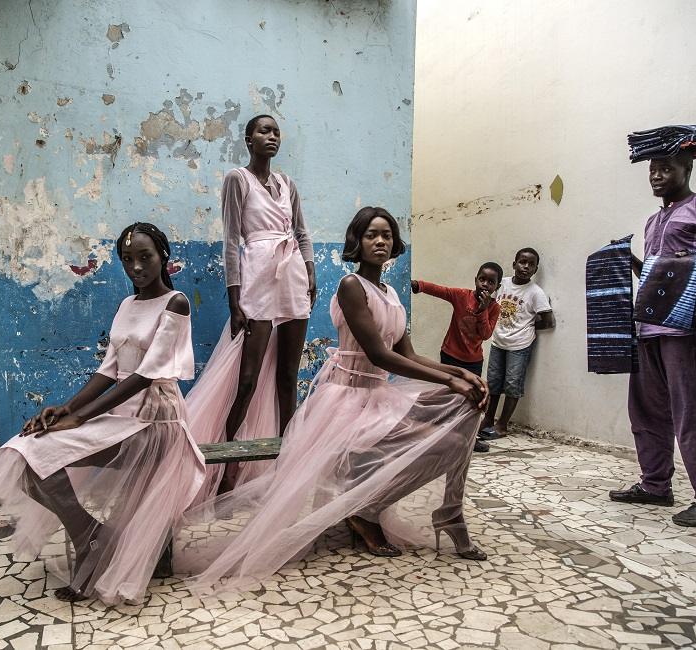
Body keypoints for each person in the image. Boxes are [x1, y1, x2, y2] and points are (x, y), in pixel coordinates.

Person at [176, 207, 488, 597]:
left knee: (465, 417)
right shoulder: (351, 286)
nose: (381, 242)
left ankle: (448, 510)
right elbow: (379, 355)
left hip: (378, 396)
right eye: (372, 235)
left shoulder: (391, 294)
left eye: (387, 236)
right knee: (444, 423)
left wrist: (462, 376)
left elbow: (407, 353)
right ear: (357, 242)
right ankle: (366, 509)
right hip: (347, 399)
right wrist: (449, 379)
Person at [0, 222, 205, 604]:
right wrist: (67, 407)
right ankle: (93, 537)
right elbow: (109, 370)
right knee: (26, 452)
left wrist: (82, 418)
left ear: (164, 256)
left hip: (156, 421)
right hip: (119, 417)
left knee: (41, 458)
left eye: (145, 257)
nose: (136, 267)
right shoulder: (126, 305)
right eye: (127, 259)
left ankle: (91, 546)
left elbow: (146, 375)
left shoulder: (175, 303)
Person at [610, 126, 696, 527]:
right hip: (649, 326)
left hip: (688, 329)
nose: (655, 175)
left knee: (691, 413)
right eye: (652, 169)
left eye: (665, 168)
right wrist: (626, 263)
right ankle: (655, 486)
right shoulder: (654, 222)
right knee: (646, 410)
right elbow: (657, 274)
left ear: (687, 169)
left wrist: (690, 264)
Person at [184, 114, 316, 497]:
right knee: (247, 379)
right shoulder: (236, 179)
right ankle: (228, 464)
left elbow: (303, 232)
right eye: (264, 131)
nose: (271, 136)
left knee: (288, 376)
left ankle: (286, 459)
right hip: (257, 276)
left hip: (291, 274)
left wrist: (310, 272)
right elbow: (229, 240)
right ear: (248, 139)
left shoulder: (287, 184)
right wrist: (234, 300)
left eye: (276, 131)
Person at [412, 262, 503, 452]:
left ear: (497, 287)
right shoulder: (462, 296)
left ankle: (469, 437)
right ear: (475, 280)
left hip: (473, 361)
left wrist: (483, 309)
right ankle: (442, 432)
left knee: (471, 401)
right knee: (448, 396)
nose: (486, 284)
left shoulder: (494, 308)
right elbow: (441, 290)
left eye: (491, 282)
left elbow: (485, 334)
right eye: (482, 279)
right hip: (450, 355)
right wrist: (418, 285)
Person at [478, 248, 554, 439]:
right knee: (493, 382)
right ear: (514, 264)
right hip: (498, 341)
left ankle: (502, 425)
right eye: (522, 262)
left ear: (535, 270)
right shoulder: (501, 284)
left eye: (531, 264)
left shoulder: (536, 292)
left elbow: (548, 320)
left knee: (513, 384)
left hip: (520, 345)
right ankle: (488, 420)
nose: (525, 267)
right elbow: (489, 304)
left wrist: (527, 327)